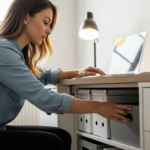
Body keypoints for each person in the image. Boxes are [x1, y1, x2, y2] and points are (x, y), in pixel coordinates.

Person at [0, 0, 131, 149]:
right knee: (53, 142)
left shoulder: (14, 52)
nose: (49, 31)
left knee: (62, 136)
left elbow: (40, 75)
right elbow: (44, 98)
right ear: (25, 17)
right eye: (46, 22)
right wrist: (98, 107)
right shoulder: (3, 50)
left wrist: (78, 72)